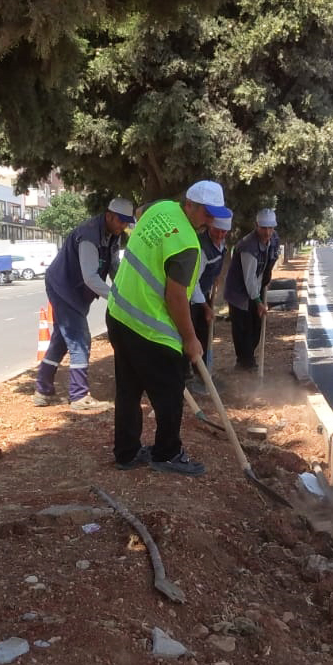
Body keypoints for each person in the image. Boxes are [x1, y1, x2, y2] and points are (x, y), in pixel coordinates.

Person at [105, 180, 228, 476]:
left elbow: (139, 210)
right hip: (150, 329)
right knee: (171, 393)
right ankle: (168, 454)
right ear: (190, 204)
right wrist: (191, 339)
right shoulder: (186, 245)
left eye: (214, 215)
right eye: (207, 214)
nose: (210, 221)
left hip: (119, 314)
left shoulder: (160, 208)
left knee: (128, 390)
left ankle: (126, 453)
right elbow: (175, 297)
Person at [33, 197, 135, 410]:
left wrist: (126, 290)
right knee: (80, 339)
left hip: (77, 291)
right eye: (121, 221)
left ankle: (42, 390)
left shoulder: (113, 234)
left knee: (62, 339)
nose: (124, 226)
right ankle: (79, 396)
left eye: (127, 222)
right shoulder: (89, 236)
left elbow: (114, 266)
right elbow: (90, 277)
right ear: (109, 216)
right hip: (64, 288)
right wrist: (117, 299)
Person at [223, 207, 276, 371]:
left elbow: (270, 260)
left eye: (270, 228)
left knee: (256, 326)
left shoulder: (273, 239)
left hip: (254, 288)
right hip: (238, 292)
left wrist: (266, 279)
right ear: (256, 226)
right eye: (263, 228)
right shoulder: (248, 247)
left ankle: (248, 359)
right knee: (243, 329)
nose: (267, 232)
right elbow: (249, 278)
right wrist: (258, 301)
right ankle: (245, 363)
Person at [186, 210, 232, 395]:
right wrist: (205, 306)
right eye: (217, 231)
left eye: (224, 232)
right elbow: (192, 282)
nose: (220, 235)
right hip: (189, 298)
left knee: (205, 335)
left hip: (202, 294)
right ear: (210, 226)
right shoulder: (201, 248)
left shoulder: (220, 244)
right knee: (190, 335)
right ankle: (188, 378)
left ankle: (203, 375)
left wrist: (215, 278)